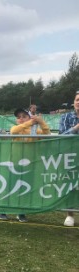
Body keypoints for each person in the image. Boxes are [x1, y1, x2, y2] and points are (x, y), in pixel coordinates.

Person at [0, 108, 50, 222]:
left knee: (25, 189)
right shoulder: (15, 129)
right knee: (9, 188)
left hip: (29, 166)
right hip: (14, 165)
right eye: (18, 117)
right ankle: (2, 210)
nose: (20, 119)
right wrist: (30, 122)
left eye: (24, 116)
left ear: (29, 117)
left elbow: (47, 134)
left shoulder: (35, 132)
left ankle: (21, 213)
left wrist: (41, 122)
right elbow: (13, 131)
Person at [58, 91, 79, 226]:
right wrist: (76, 128)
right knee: (70, 185)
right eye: (77, 100)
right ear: (74, 102)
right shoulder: (65, 117)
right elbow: (61, 136)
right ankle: (70, 215)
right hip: (71, 156)